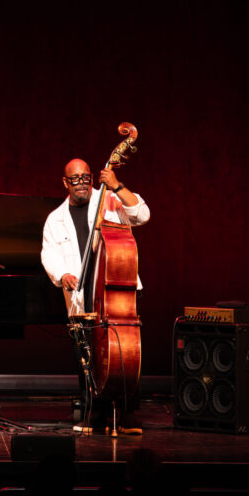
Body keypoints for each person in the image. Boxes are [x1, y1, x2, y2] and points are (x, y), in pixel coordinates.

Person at [41, 158, 150, 434]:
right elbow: (48, 255)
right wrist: (61, 275)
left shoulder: (110, 200)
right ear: (65, 183)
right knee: (86, 357)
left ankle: (125, 416)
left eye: (86, 177)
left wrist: (118, 185)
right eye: (75, 179)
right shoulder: (55, 219)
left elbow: (142, 215)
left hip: (114, 292)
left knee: (123, 353)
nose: (82, 183)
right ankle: (93, 415)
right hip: (81, 297)